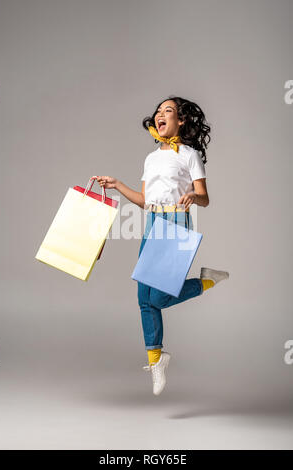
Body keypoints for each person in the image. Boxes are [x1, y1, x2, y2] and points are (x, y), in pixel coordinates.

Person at [96, 95, 229, 396]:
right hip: (154, 223)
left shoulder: (190, 155)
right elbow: (145, 202)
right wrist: (117, 184)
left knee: (160, 298)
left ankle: (206, 281)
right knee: (145, 298)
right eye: (158, 111)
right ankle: (157, 360)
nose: (160, 115)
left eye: (168, 111)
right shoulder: (151, 158)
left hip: (177, 222)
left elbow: (204, 198)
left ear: (181, 120)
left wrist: (194, 197)